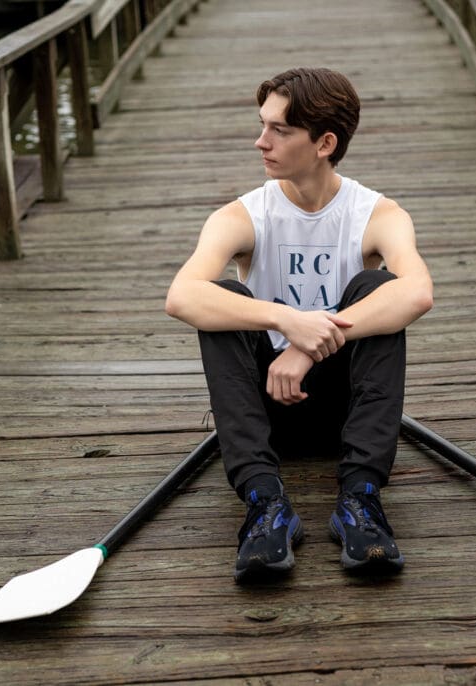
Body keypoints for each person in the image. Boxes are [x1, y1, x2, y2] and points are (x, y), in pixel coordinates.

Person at [165, 67, 433, 581]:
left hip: (346, 409)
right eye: (262, 125)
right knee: (221, 296)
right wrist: (286, 319)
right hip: (265, 410)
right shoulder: (241, 216)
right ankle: (265, 502)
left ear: (325, 143)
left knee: (380, 288)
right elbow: (181, 296)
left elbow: (418, 292)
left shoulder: (379, 214)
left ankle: (360, 499)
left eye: (279, 131)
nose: (260, 141)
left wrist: (309, 345)